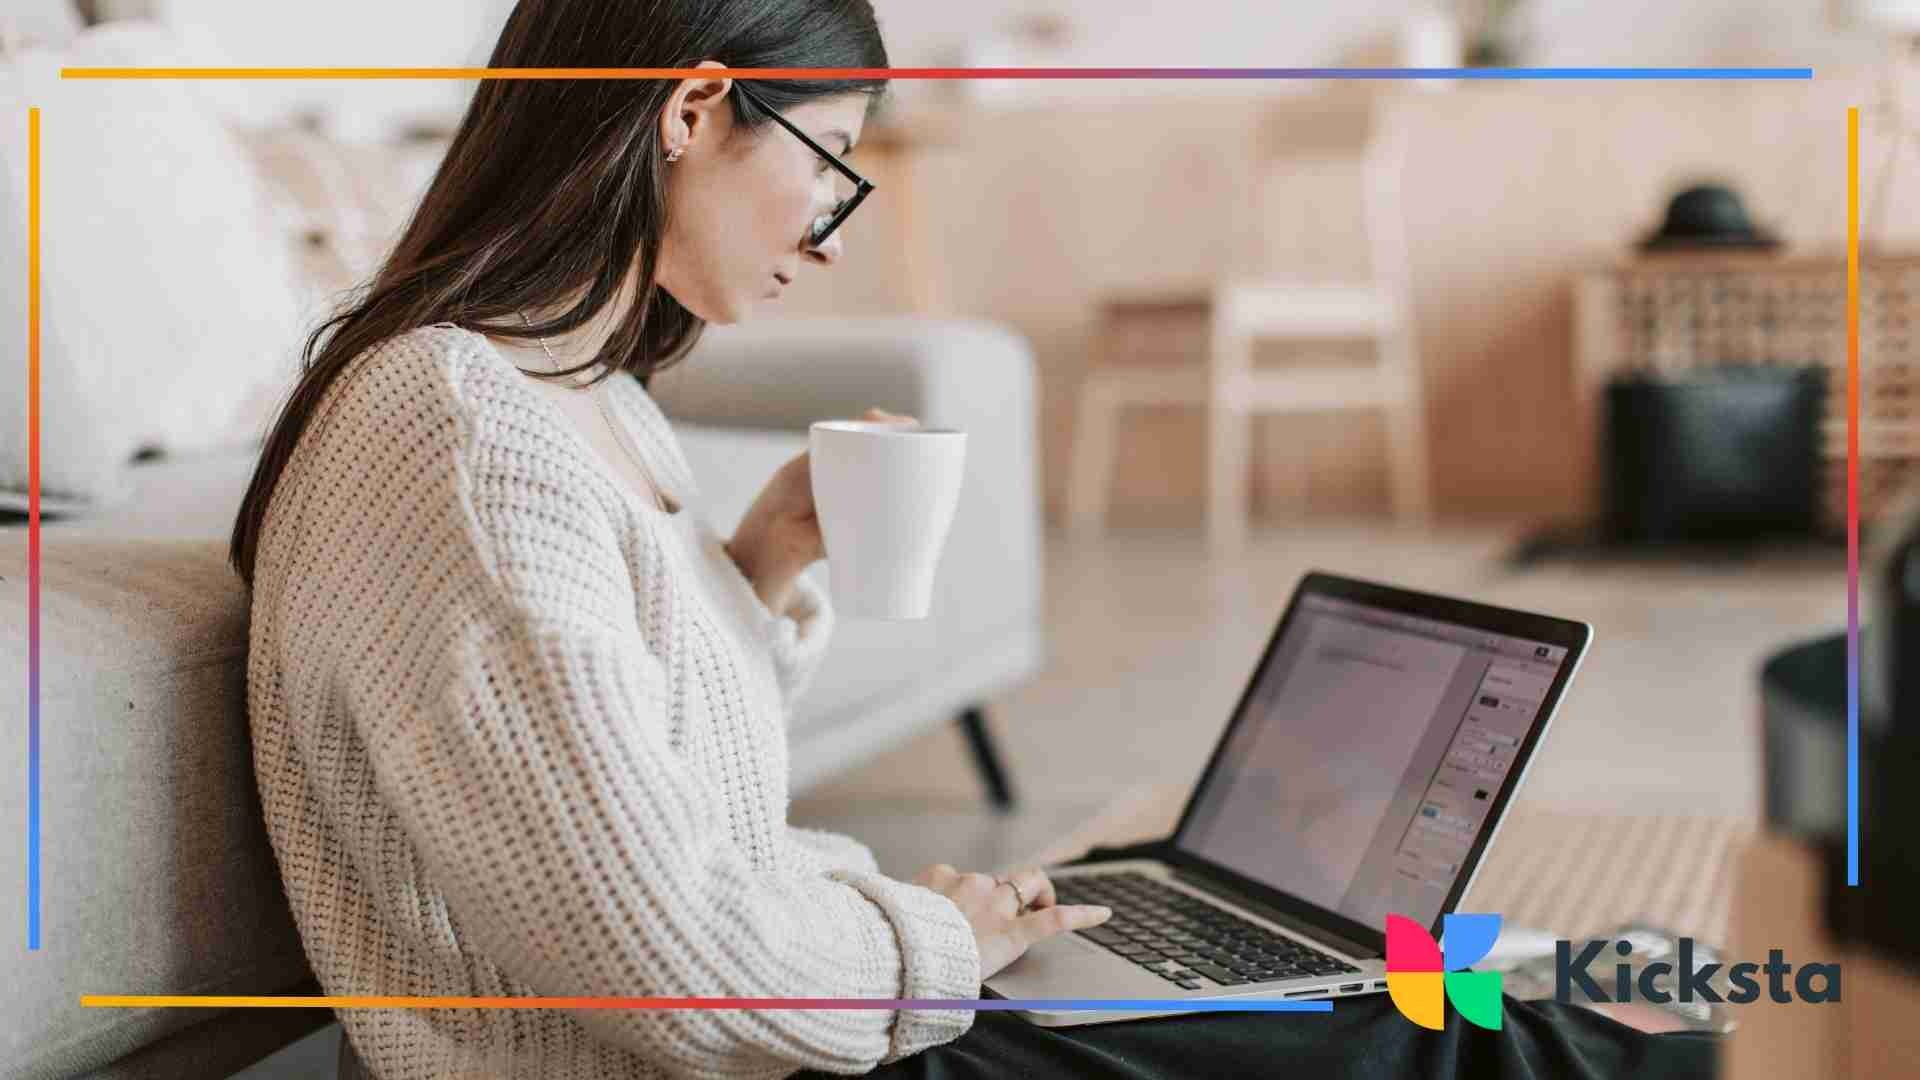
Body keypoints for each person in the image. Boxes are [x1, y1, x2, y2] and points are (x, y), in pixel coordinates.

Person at [229, 1, 1718, 1076]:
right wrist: (932, 949)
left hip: (799, 1024)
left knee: (1389, 992)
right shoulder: (465, 431)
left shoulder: (576, 396)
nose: (832, 224)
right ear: (691, 108)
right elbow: (672, 969)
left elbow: (634, 798)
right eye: (833, 162)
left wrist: (747, 583)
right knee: (1421, 1041)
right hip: (750, 1054)